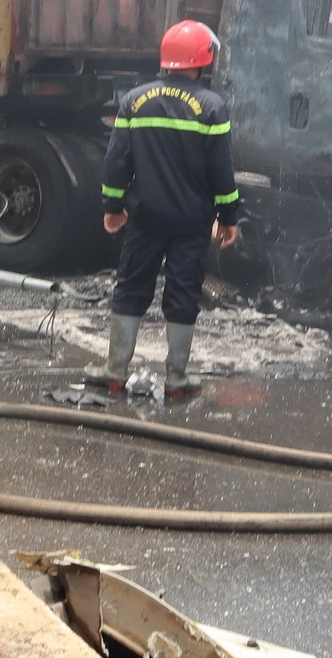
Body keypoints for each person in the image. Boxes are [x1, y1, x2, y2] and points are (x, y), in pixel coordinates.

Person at [93, 20, 241, 397]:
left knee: (131, 287)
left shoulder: (134, 100)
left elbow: (116, 162)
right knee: (182, 293)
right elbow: (221, 171)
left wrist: (113, 206)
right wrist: (228, 218)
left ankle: (114, 371)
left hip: (145, 218)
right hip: (192, 221)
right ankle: (177, 378)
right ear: (203, 59)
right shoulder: (212, 107)